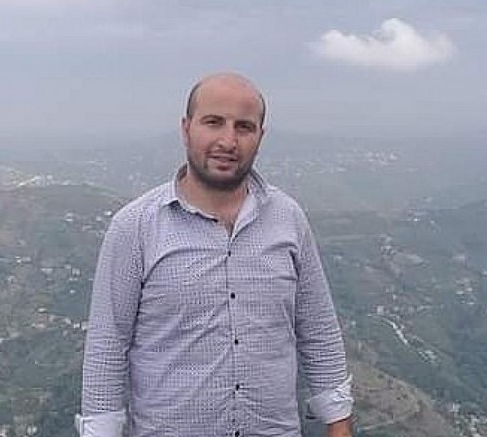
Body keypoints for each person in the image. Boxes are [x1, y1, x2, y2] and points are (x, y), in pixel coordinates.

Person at [77, 72, 353, 437]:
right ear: (186, 129)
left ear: (260, 137)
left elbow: (318, 328)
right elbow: (107, 345)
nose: (228, 140)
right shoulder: (135, 227)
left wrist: (339, 423)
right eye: (213, 122)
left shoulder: (288, 219)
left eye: (244, 127)